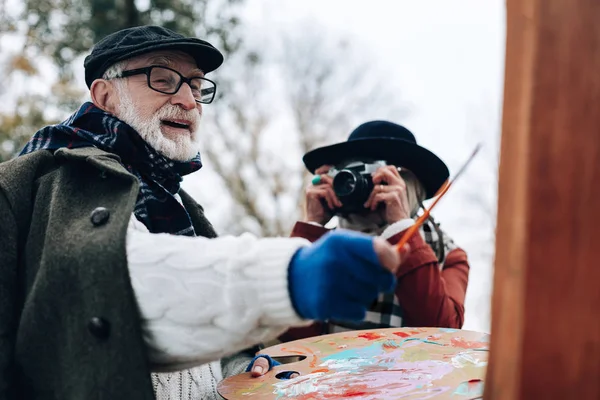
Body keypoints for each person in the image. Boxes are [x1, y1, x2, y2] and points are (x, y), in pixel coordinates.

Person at [0, 27, 409, 400]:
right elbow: (121, 288)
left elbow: (189, 342)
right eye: (163, 79)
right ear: (105, 95)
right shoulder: (56, 180)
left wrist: (236, 363)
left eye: (196, 86)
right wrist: (288, 274)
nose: (187, 99)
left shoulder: (178, 206)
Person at [278, 120, 470, 342]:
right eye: (352, 173)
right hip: (325, 373)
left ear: (411, 186)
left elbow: (442, 334)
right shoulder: (322, 246)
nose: (363, 185)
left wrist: (400, 225)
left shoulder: (449, 253)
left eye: (377, 176)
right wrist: (312, 226)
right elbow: (290, 338)